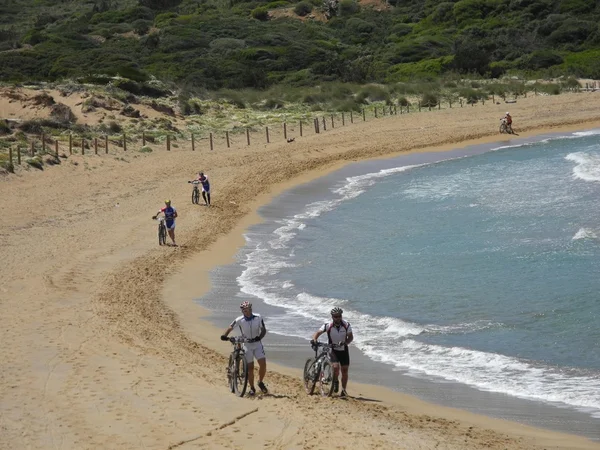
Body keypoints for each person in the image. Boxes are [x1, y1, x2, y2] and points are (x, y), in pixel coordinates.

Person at [220, 301, 268, 395]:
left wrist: (260, 337)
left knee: (263, 364)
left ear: (251, 309)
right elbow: (230, 327)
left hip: (257, 343)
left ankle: (260, 382)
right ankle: (252, 388)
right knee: (250, 368)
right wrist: (224, 335)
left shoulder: (258, 317)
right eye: (245, 310)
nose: (247, 311)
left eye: (249, 309)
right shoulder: (239, 319)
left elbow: (263, 329)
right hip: (246, 344)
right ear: (242, 311)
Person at [311, 307, 353, 397]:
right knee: (335, 368)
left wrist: (345, 343)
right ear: (332, 317)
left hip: (344, 350)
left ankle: (344, 391)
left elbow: (351, 337)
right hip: (333, 350)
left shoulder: (346, 325)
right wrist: (314, 339)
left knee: (345, 370)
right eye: (336, 316)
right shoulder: (328, 325)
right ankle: (335, 381)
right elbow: (318, 332)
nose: (338, 318)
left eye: (339, 316)